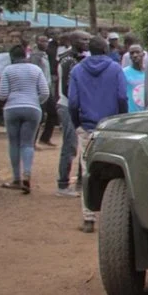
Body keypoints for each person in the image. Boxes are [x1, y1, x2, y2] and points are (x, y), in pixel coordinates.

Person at [68, 36, 128, 232]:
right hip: (111, 127)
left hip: (88, 128)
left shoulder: (77, 70)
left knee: (87, 171)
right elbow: (121, 96)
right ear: (105, 49)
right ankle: (113, 218)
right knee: (116, 170)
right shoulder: (115, 68)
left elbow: (73, 102)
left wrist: (78, 124)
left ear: (89, 50)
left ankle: (88, 219)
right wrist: (121, 121)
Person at [0, 45, 50, 193]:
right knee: (27, 144)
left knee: (14, 144)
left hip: (12, 109)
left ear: (11, 57)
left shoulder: (7, 70)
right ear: (26, 55)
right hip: (33, 108)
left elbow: (2, 94)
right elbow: (45, 92)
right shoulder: (36, 69)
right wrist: (34, 101)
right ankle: (27, 174)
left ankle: (16, 178)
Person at [54, 32, 89, 198]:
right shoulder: (68, 60)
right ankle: (63, 184)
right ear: (74, 41)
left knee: (78, 145)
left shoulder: (77, 58)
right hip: (67, 106)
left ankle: (76, 183)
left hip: (74, 107)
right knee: (70, 145)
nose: (86, 42)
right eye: (84, 39)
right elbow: (66, 89)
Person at [123, 44, 147, 112]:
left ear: (143, 54)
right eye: (132, 53)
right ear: (129, 56)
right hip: (132, 114)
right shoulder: (123, 73)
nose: (135, 55)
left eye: (137, 52)